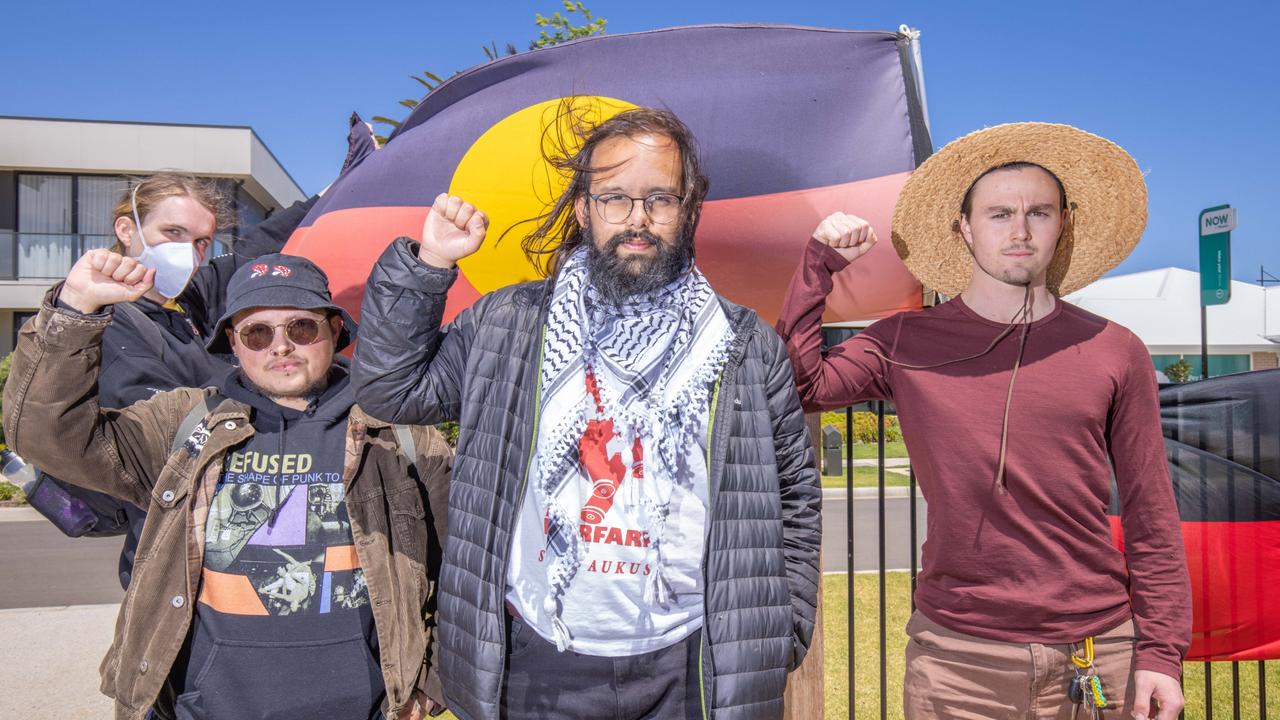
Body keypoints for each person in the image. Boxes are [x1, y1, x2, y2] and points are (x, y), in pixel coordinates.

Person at [350, 105, 821, 720]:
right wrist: (430, 264)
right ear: (583, 209)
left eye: (660, 198)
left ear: (689, 208)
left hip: (691, 663)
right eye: (614, 199)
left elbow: (795, 497)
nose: (638, 220)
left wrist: (779, 629)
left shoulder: (743, 344)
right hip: (538, 661)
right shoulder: (509, 322)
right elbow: (392, 389)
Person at [776, 123, 1191, 720]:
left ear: (1064, 223)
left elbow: (1152, 514)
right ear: (964, 228)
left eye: (1038, 213)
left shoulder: (1115, 349)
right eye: (998, 214)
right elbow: (799, 384)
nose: (1019, 231)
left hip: (1098, 654)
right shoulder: (902, 340)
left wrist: (1161, 653)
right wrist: (818, 266)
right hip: (956, 661)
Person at [3, 249, 449, 720]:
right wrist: (75, 308)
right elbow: (46, 435)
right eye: (258, 333)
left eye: (301, 327)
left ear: (333, 331)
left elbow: (468, 568)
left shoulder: (400, 433)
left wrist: (436, 677)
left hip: (367, 709)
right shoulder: (182, 423)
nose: (281, 347)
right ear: (234, 343)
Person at [21, 114, 377, 589]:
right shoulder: (106, 325)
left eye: (202, 241)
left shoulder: (181, 303)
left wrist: (339, 187)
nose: (190, 253)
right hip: (177, 555)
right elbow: (172, 434)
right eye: (173, 234)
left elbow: (259, 246)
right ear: (127, 230)